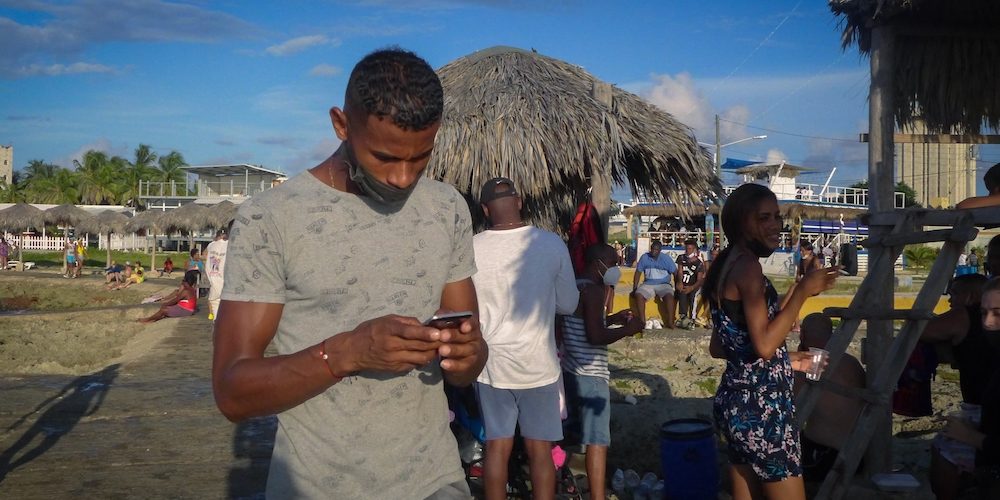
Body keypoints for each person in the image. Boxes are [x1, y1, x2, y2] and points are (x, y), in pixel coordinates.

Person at [211, 48, 486, 500]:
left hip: (434, 480)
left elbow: (467, 367)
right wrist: (346, 353)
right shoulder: (272, 218)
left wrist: (468, 354)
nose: (403, 178)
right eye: (384, 157)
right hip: (315, 486)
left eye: (420, 158)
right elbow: (232, 392)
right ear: (341, 125)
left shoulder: (446, 207)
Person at [704, 183, 838, 500]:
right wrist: (803, 290)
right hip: (763, 410)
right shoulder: (749, 268)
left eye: (777, 217)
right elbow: (764, 346)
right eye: (764, 218)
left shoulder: (726, 265)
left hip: (735, 404)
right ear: (741, 223)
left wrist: (786, 358)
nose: (776, 225)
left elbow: (721, 346)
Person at [471, 177, 579, 500]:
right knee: (540, 451)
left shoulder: (471, 247)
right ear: (519, 202)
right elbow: (568, 304)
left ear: (485, 209)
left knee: (497, 448)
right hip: (538, 364)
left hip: (491, 367)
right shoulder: (551, 244)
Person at [560, 243, 643, 500]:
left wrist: (614, 319)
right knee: (597, 441)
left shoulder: (574, 286)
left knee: (572, 435)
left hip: (570, 370)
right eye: (613, 263)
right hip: (591, 374)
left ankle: (567, 485)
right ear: (598, 264)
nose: (616, 268)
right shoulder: (594, 291)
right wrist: (627, 330)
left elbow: (584, 323)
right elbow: (595, 336)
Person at [925, 272, 993, 498]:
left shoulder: (964, 315)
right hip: (984, 405)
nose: (949, 299)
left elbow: (920, 332)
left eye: (953, 293)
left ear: (969, 297)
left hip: (980, 408)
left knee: (945, 449)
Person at [792, 313, 866, 482]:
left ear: (802, 335)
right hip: (859, 453)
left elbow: (792, 409)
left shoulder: (810, 365)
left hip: (823, 455)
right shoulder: (851, 362)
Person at [631, 240, 677, 329]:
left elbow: (675, 273)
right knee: (639, 295)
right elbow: (638, 273)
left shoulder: (666, 259)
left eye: (656, 250)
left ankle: (670, 321)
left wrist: (677, 286)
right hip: (648, 284)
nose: (653, 251)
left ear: (660, 250)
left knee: (669, 296)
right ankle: (642, 321)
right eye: (652, 249)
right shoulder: (644, 257)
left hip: (664, 284)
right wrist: (635, 288)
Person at [674, 238, 705, 330]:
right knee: (681, 292)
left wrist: (691, 288)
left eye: (690, 249)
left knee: (693, 296)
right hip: (684, 283)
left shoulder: (699, 263)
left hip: (695, 285)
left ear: (694, 249)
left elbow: (699, 280)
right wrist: (680, 282)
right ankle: (683, 317)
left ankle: (693, 319)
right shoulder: (681, 258)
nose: (688, 251)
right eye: (687, 248)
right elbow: (680, 272)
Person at [205, 225, 230, 321]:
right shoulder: (230, 245)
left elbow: (204, 254)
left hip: (214, 283)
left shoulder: (211, 245)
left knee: (215, 315)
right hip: (227, 285)